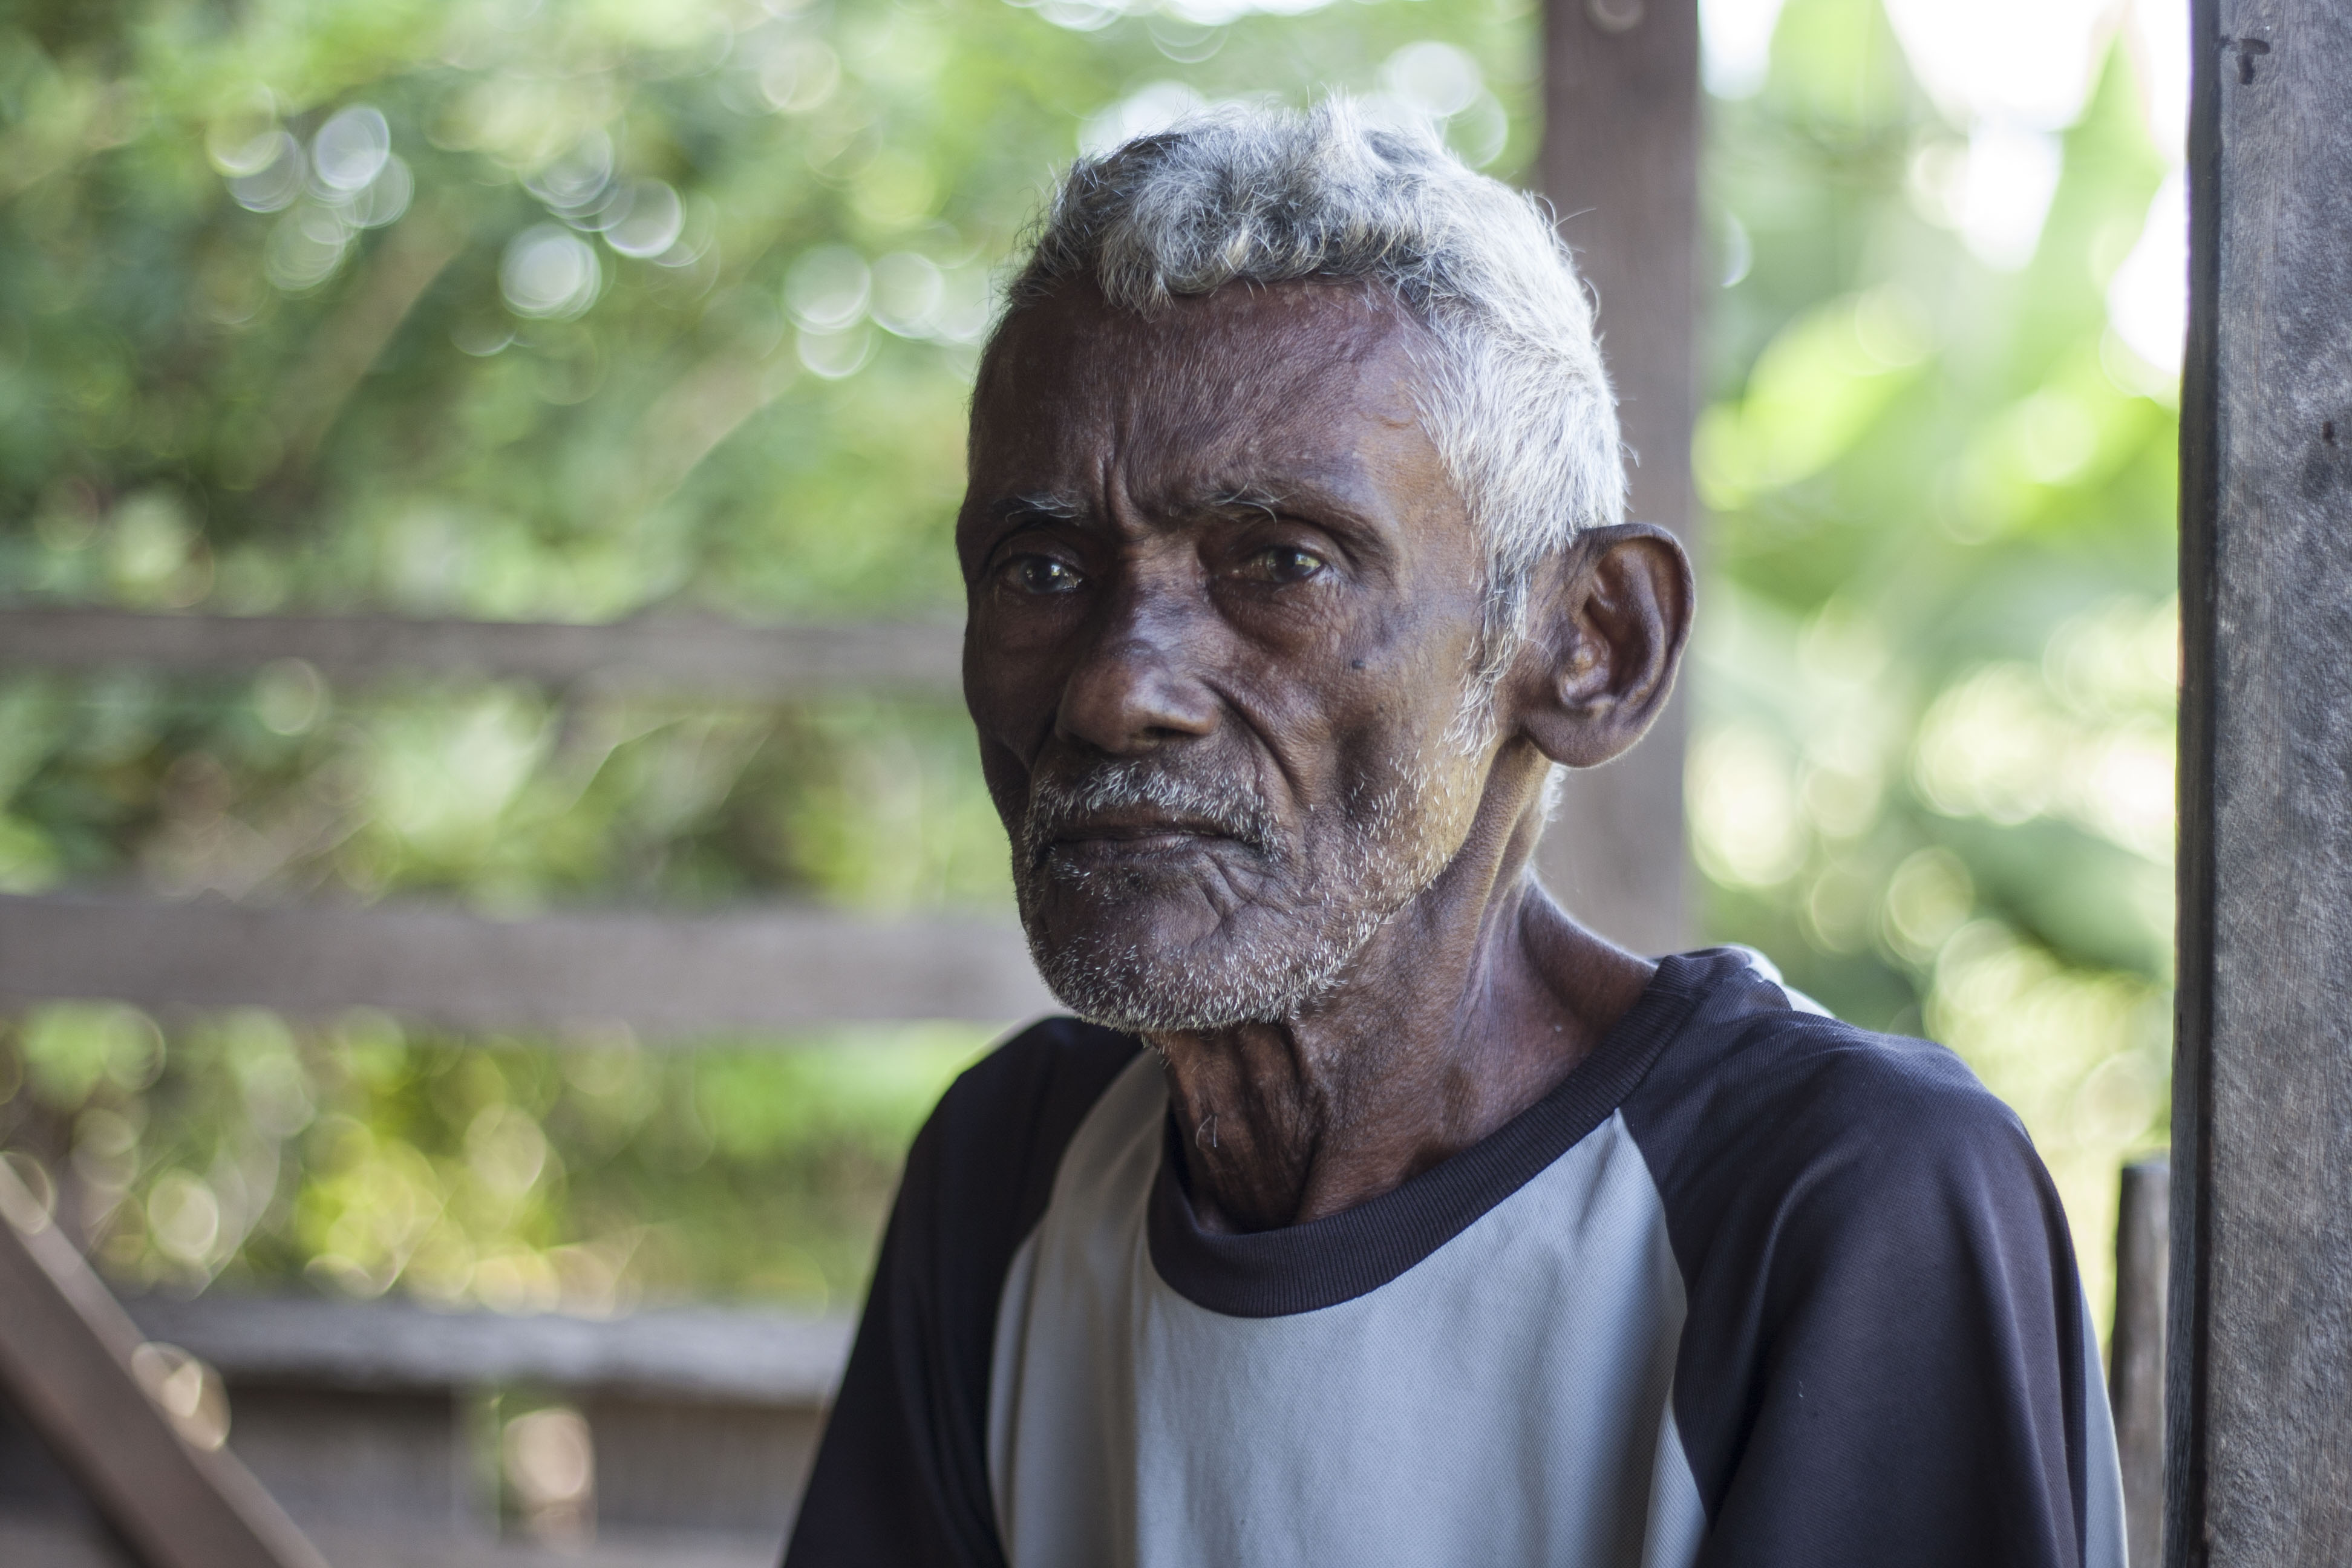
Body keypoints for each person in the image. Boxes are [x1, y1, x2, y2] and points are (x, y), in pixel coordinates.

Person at [783, 100, 2123, 1568]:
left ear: (1590, 646)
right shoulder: (1014, 1173)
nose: (1117, 690)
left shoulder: (1837, 1203)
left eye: (1284, 561)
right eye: (1041, 567)